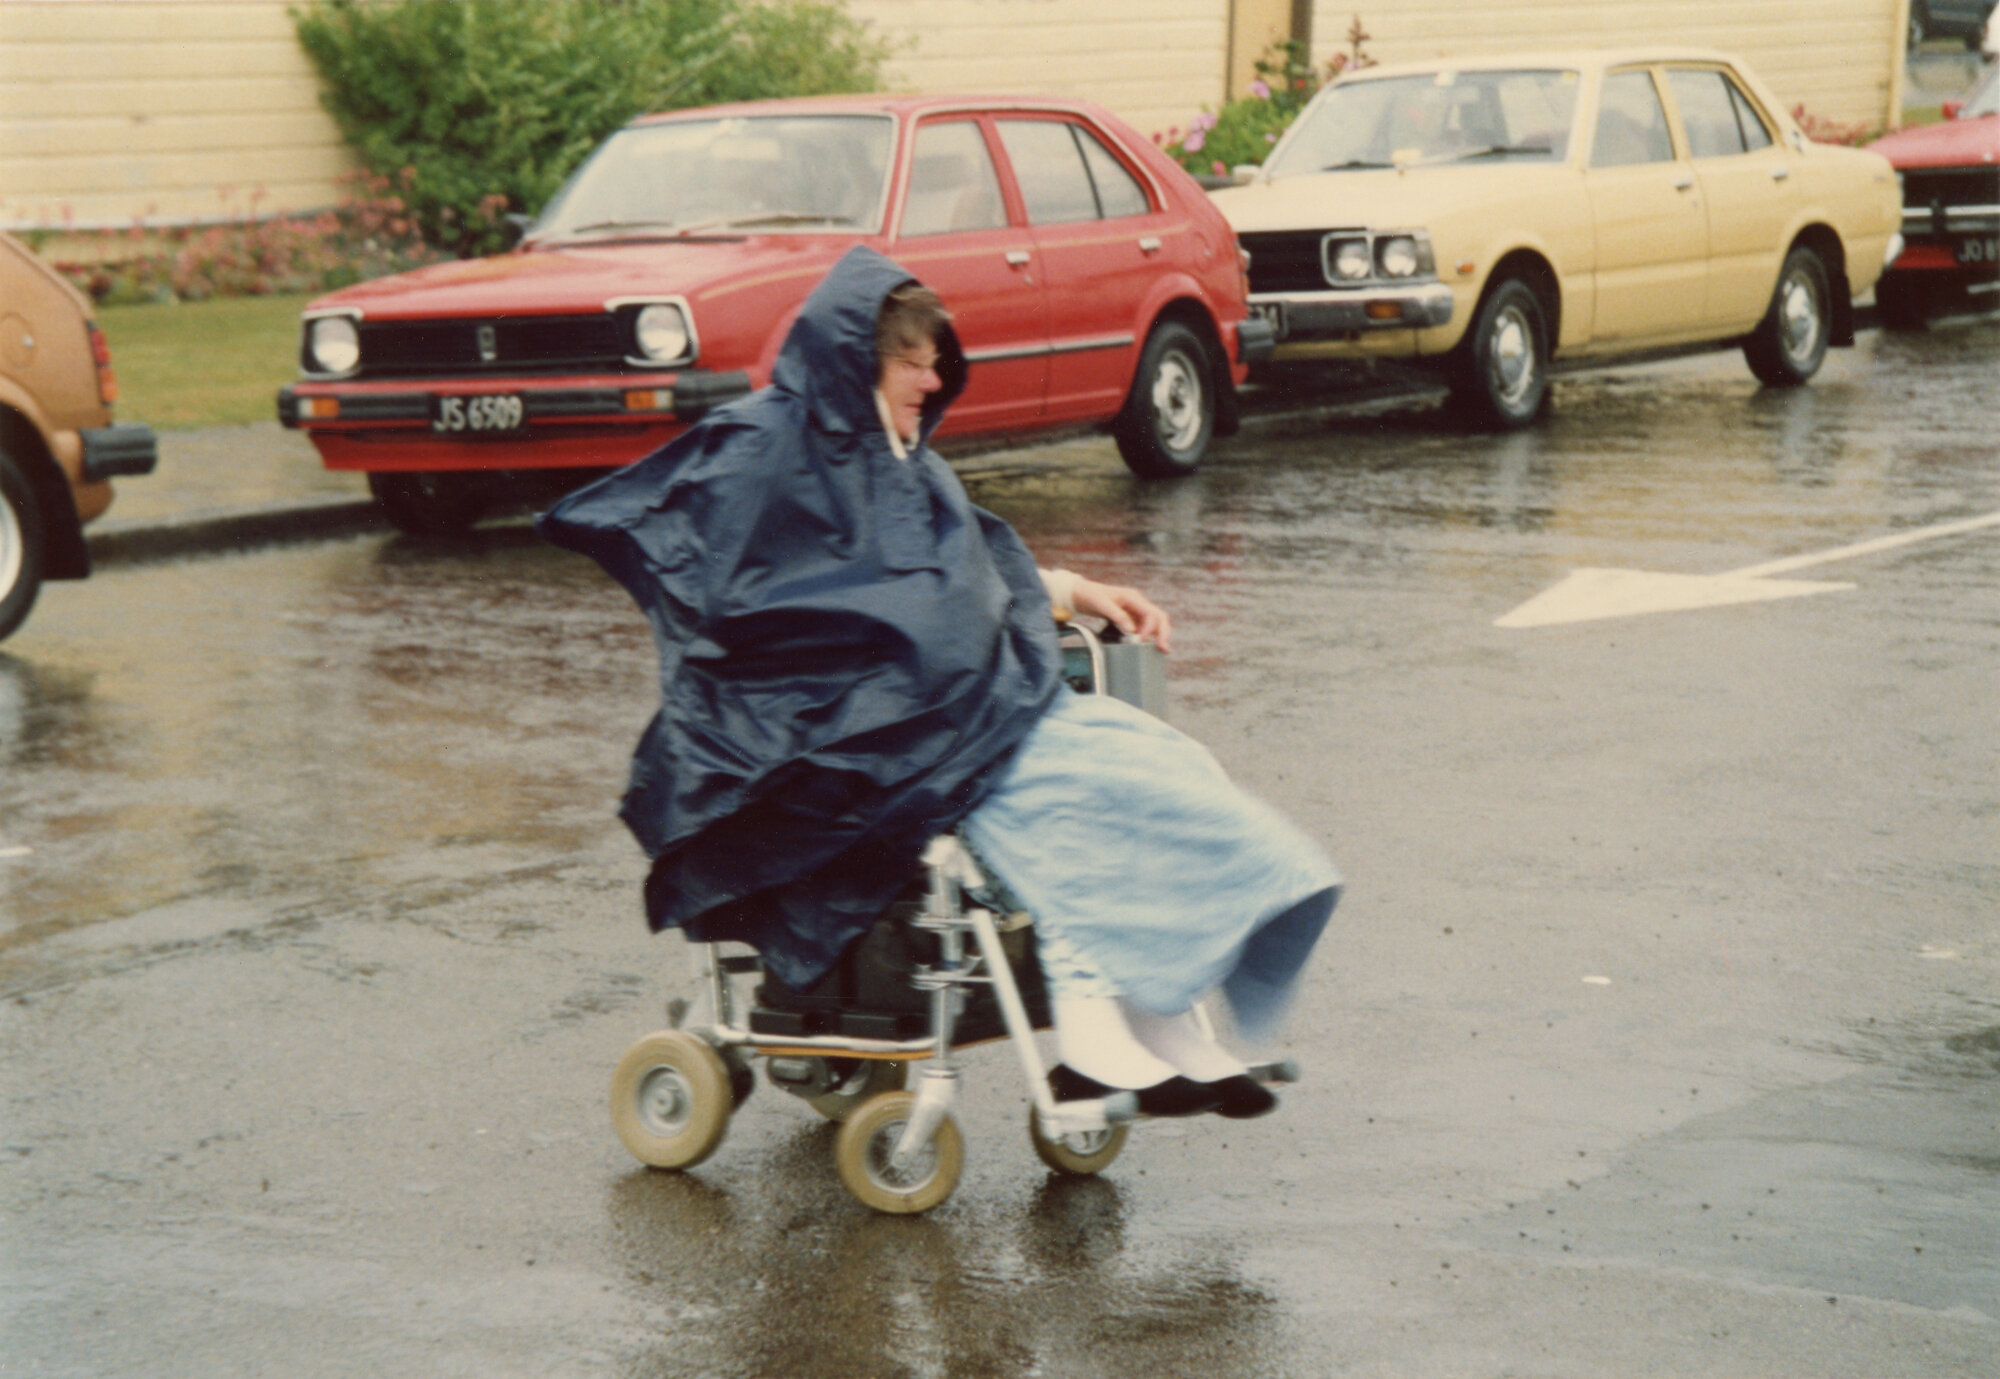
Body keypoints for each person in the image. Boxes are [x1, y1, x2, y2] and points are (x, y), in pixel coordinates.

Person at [538, 246, 1339, 1119]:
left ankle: (1158, 1026)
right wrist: (897, 667)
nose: (929, 377)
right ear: (857, 361)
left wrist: (1072, 590)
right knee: (1096, 796)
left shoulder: (902, 462)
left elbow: (958, 579)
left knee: (1179, 766)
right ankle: (1097, 1042)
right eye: (910, 360)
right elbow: (751, 601)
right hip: (898, 745)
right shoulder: (771, 451)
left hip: (979, 716)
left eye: (932, 359)